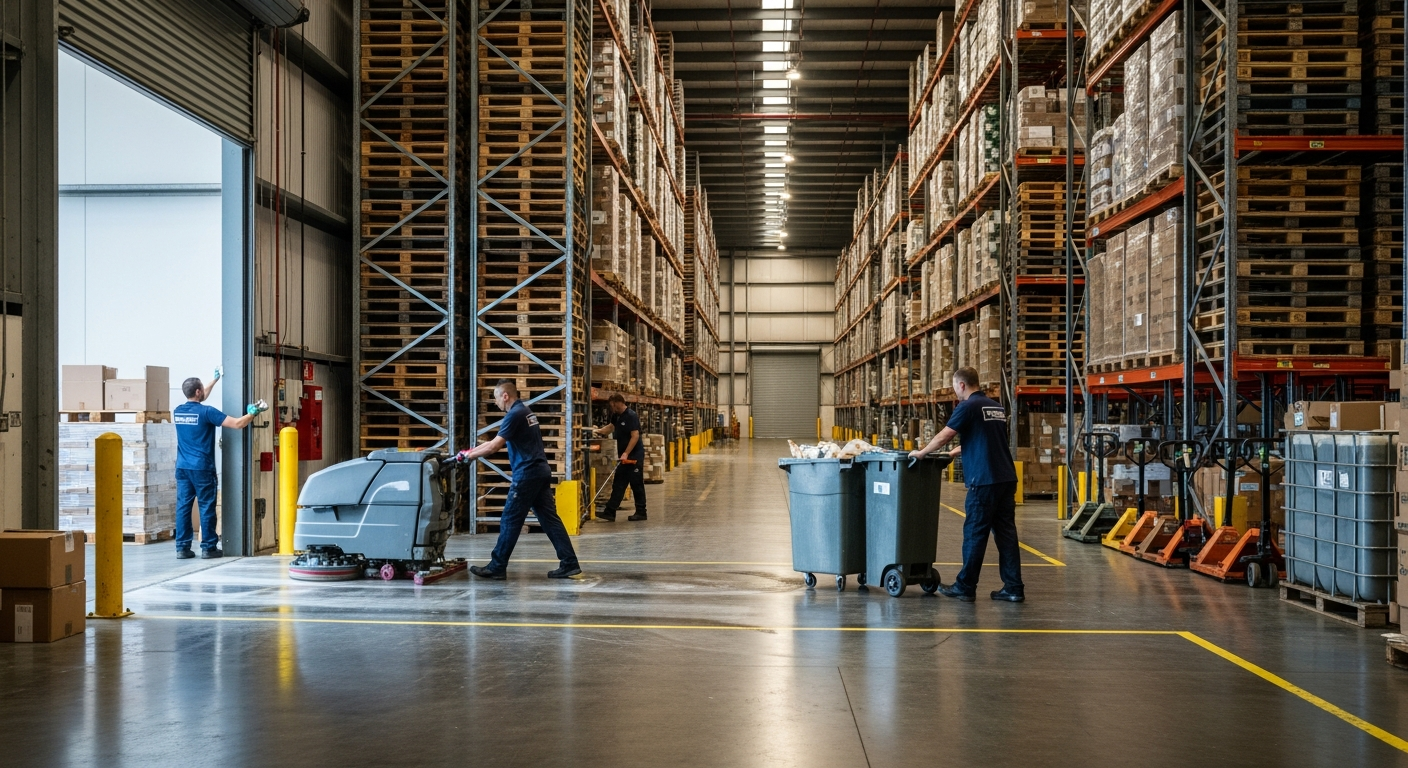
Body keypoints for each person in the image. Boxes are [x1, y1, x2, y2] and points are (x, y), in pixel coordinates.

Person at [909, 366, 1025, 603]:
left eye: (954, 387)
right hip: (1005, 478)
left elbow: (945, 434)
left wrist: (921, 453)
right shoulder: (995, 406)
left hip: (983, 481)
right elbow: (989, 438)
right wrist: (958, 451)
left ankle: (965, 586)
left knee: (974, 533)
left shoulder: (967, 406)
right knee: (1006, 536)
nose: (955, 392)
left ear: (961, 385)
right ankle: (1014, 588)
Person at [462, 380, 581, 580]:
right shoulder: (525, 412)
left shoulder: (514, 415)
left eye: (496, 397)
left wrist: (468, 457)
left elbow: (494, 447)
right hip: (540, 471)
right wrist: (469, 453)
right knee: (550, 520)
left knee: (510, 519)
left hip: (527, 475)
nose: (495, 402)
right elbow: (492, 442)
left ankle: (497, 566)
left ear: (505, 396)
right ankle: (569, 563)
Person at [172, 370, 260, 560]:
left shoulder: (178, 411)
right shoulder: (207, 412)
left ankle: (182, 548)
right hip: (202, 468)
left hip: (183, 468)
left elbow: (200, 397)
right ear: (198, 392)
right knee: (206, 507)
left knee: (183, 507)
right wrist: (252, 413)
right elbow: (237, 424)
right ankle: (208, 548)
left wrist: (214, 380)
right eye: (202, 389)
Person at [592, 393, 647, 522]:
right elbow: (611, 427)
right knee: (619, 484)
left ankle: (641, 512)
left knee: (636, 484)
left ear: (617, 402)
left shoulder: (631, 416)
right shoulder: (616, 416)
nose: (610, 407)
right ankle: (610, 512)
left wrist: (626, 453)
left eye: (612, 404)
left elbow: (635, 436)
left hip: (633, 457)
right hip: (623, 456)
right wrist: (598, 431)